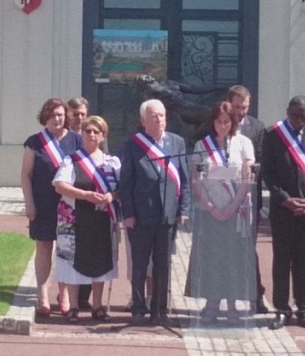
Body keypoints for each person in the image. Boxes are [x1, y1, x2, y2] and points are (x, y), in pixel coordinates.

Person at [261, 95, 305, 330]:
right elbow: (268, 174)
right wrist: (285, 199)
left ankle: (304, 309)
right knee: (282, 261)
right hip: (284, 210)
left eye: (304, 116)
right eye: (295, 116)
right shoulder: (273, 135)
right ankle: (282, 309)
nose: (300, 121)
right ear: (287, 112)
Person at [118, 99, 190, 326]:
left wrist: (184, 208)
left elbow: (185, 180)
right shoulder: (132, 146)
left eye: (162, 115)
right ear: (143, 120)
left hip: (167, 215)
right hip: (140, 215)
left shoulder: (177, 143)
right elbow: (125, 183)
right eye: (154, 116)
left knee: (162, 264)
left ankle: (160, 309)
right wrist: (127, 214)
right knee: (140, 265)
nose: (159, 119)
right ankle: (139, 308)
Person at [184, 101, 256, 321]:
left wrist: (232, 207)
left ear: (233, 123)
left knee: (233, 257)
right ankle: (212, 302)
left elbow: (248, 178)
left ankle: (233, 304)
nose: (223, 126)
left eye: (227, 122)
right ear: (212, 122)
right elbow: (196, 180)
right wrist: (212, 207)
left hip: (236, 210)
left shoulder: (243, 143)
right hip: (209, 211)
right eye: (218, 122)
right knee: (211, 257)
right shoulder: (201, 146)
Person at [53, 115, 121, 323]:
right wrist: (86, 196)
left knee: (101, 260)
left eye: (96, 132)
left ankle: (97, 305)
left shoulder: (112, 163)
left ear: (103, 136)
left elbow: (120, 188)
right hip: (75, 219)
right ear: (81, 134)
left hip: (102, 219)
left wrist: (112, 196)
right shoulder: (71, 160)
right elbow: (59, 185)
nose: (91, 135)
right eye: (88, 131)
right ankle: (73, 306)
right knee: (73, 261)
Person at [20, 98, 83, 318]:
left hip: (69, 205)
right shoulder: (34, 142)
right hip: (43, 204)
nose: (57, 119)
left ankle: (63, 294)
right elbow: (26, 175)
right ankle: (43, 295)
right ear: (45, 117)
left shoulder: (76, 140)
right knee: (44, 247)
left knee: (66, 251)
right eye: (53, 115)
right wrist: (29, 203)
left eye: (61, 114)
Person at [227, 84, 270, 315]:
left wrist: (250, 171)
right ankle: (218, 298)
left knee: (247, 250)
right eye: (236, 107)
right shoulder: (218, 123)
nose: (240, 112)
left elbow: (263, 160)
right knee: (222, 249)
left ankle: (256, 296)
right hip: (222, 198)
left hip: (248, 200)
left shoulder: (257, 127)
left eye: (244, 107)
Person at [66, 96, 94, 311]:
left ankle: (84, 296)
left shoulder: (92, 134)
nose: (80, 118)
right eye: (76, 114)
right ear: (69, 114)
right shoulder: (64, 138)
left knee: (88, 248)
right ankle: (66, 295)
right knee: (68, 250)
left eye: (83, 114)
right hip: (68, 202)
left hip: (90, 201)